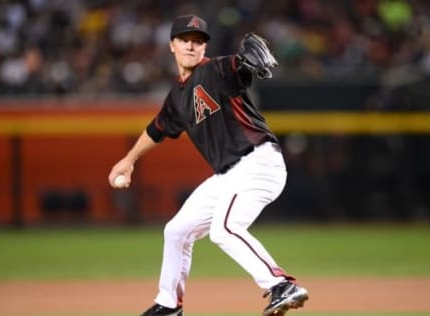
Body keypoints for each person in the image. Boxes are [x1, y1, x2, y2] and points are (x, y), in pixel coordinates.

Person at [108, 14, 309, 316]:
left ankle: (281, 285)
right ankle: (168, 305)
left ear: (204, 48)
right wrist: (128, 160)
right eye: (185, 40)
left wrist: (245, 62)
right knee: (176, 231)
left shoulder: (216, 70)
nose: (191, 45)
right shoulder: (177, 97)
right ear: (171, 45)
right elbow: (157, 129)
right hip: (228, 175)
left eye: (198, 41)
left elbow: (238, 67)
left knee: (225, 230)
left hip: (257, 162)